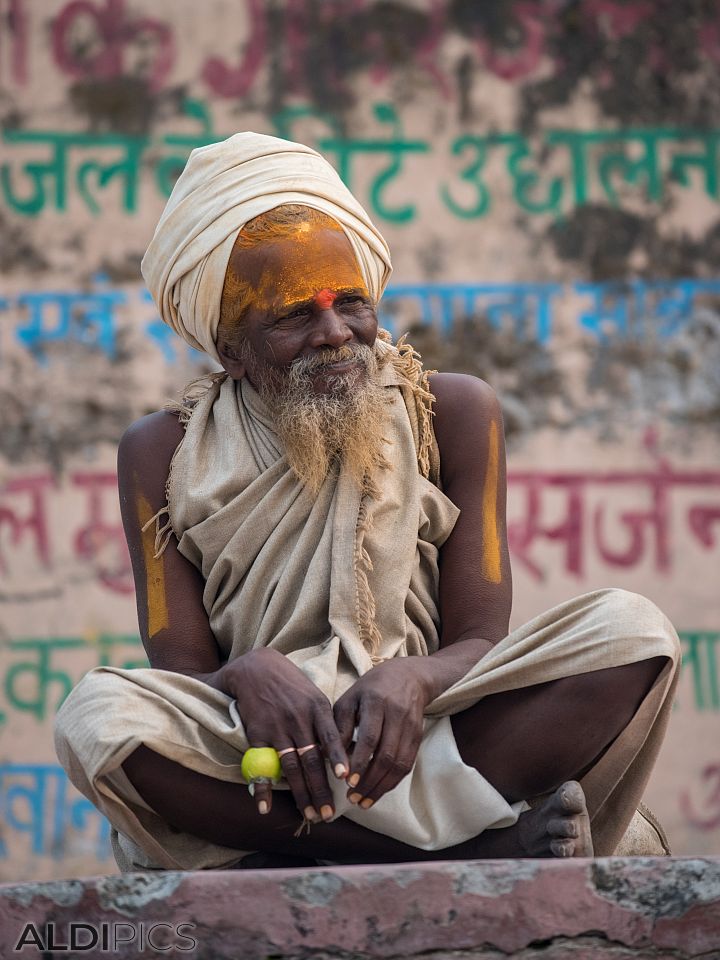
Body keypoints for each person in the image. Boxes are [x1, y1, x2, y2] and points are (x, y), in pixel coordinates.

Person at [55, 133, 679, 872]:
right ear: (230, 349)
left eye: (352, 303)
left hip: (435, 736)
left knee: (633, 632)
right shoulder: (160, 451)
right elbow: (181, 672)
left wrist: (412, 679)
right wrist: (245, 675)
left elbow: (482, 641)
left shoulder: (450, 409)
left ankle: (304, 851)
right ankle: (468, 852)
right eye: (293, 316)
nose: (335, 334)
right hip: (264, 756)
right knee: (97, 719)